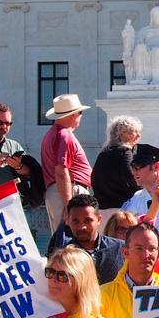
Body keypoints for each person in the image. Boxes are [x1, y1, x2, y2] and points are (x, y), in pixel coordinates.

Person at [40, 93, 94, 231]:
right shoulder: (64, 135)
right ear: (73, 115)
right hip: (68, 190)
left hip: (60, 191)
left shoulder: (53, 134)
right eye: (80, 112)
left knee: (63, 237)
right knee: (74, 236)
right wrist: (69, 204)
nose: (81, 116)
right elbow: (61, 170)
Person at [46, 194, 125, 284]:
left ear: (99, 219)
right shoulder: (62, 257)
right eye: (76, 221)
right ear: (68, 220)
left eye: (88, 220)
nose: (82, 227)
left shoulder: (120, 249)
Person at [91, 115, 142, 212]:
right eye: (134, 131)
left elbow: (94, 178)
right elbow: (132, 178)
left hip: (101, 208)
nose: (138, 136)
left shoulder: (103, 153)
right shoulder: (125, 152)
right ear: (121, 133)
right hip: (120, 208)